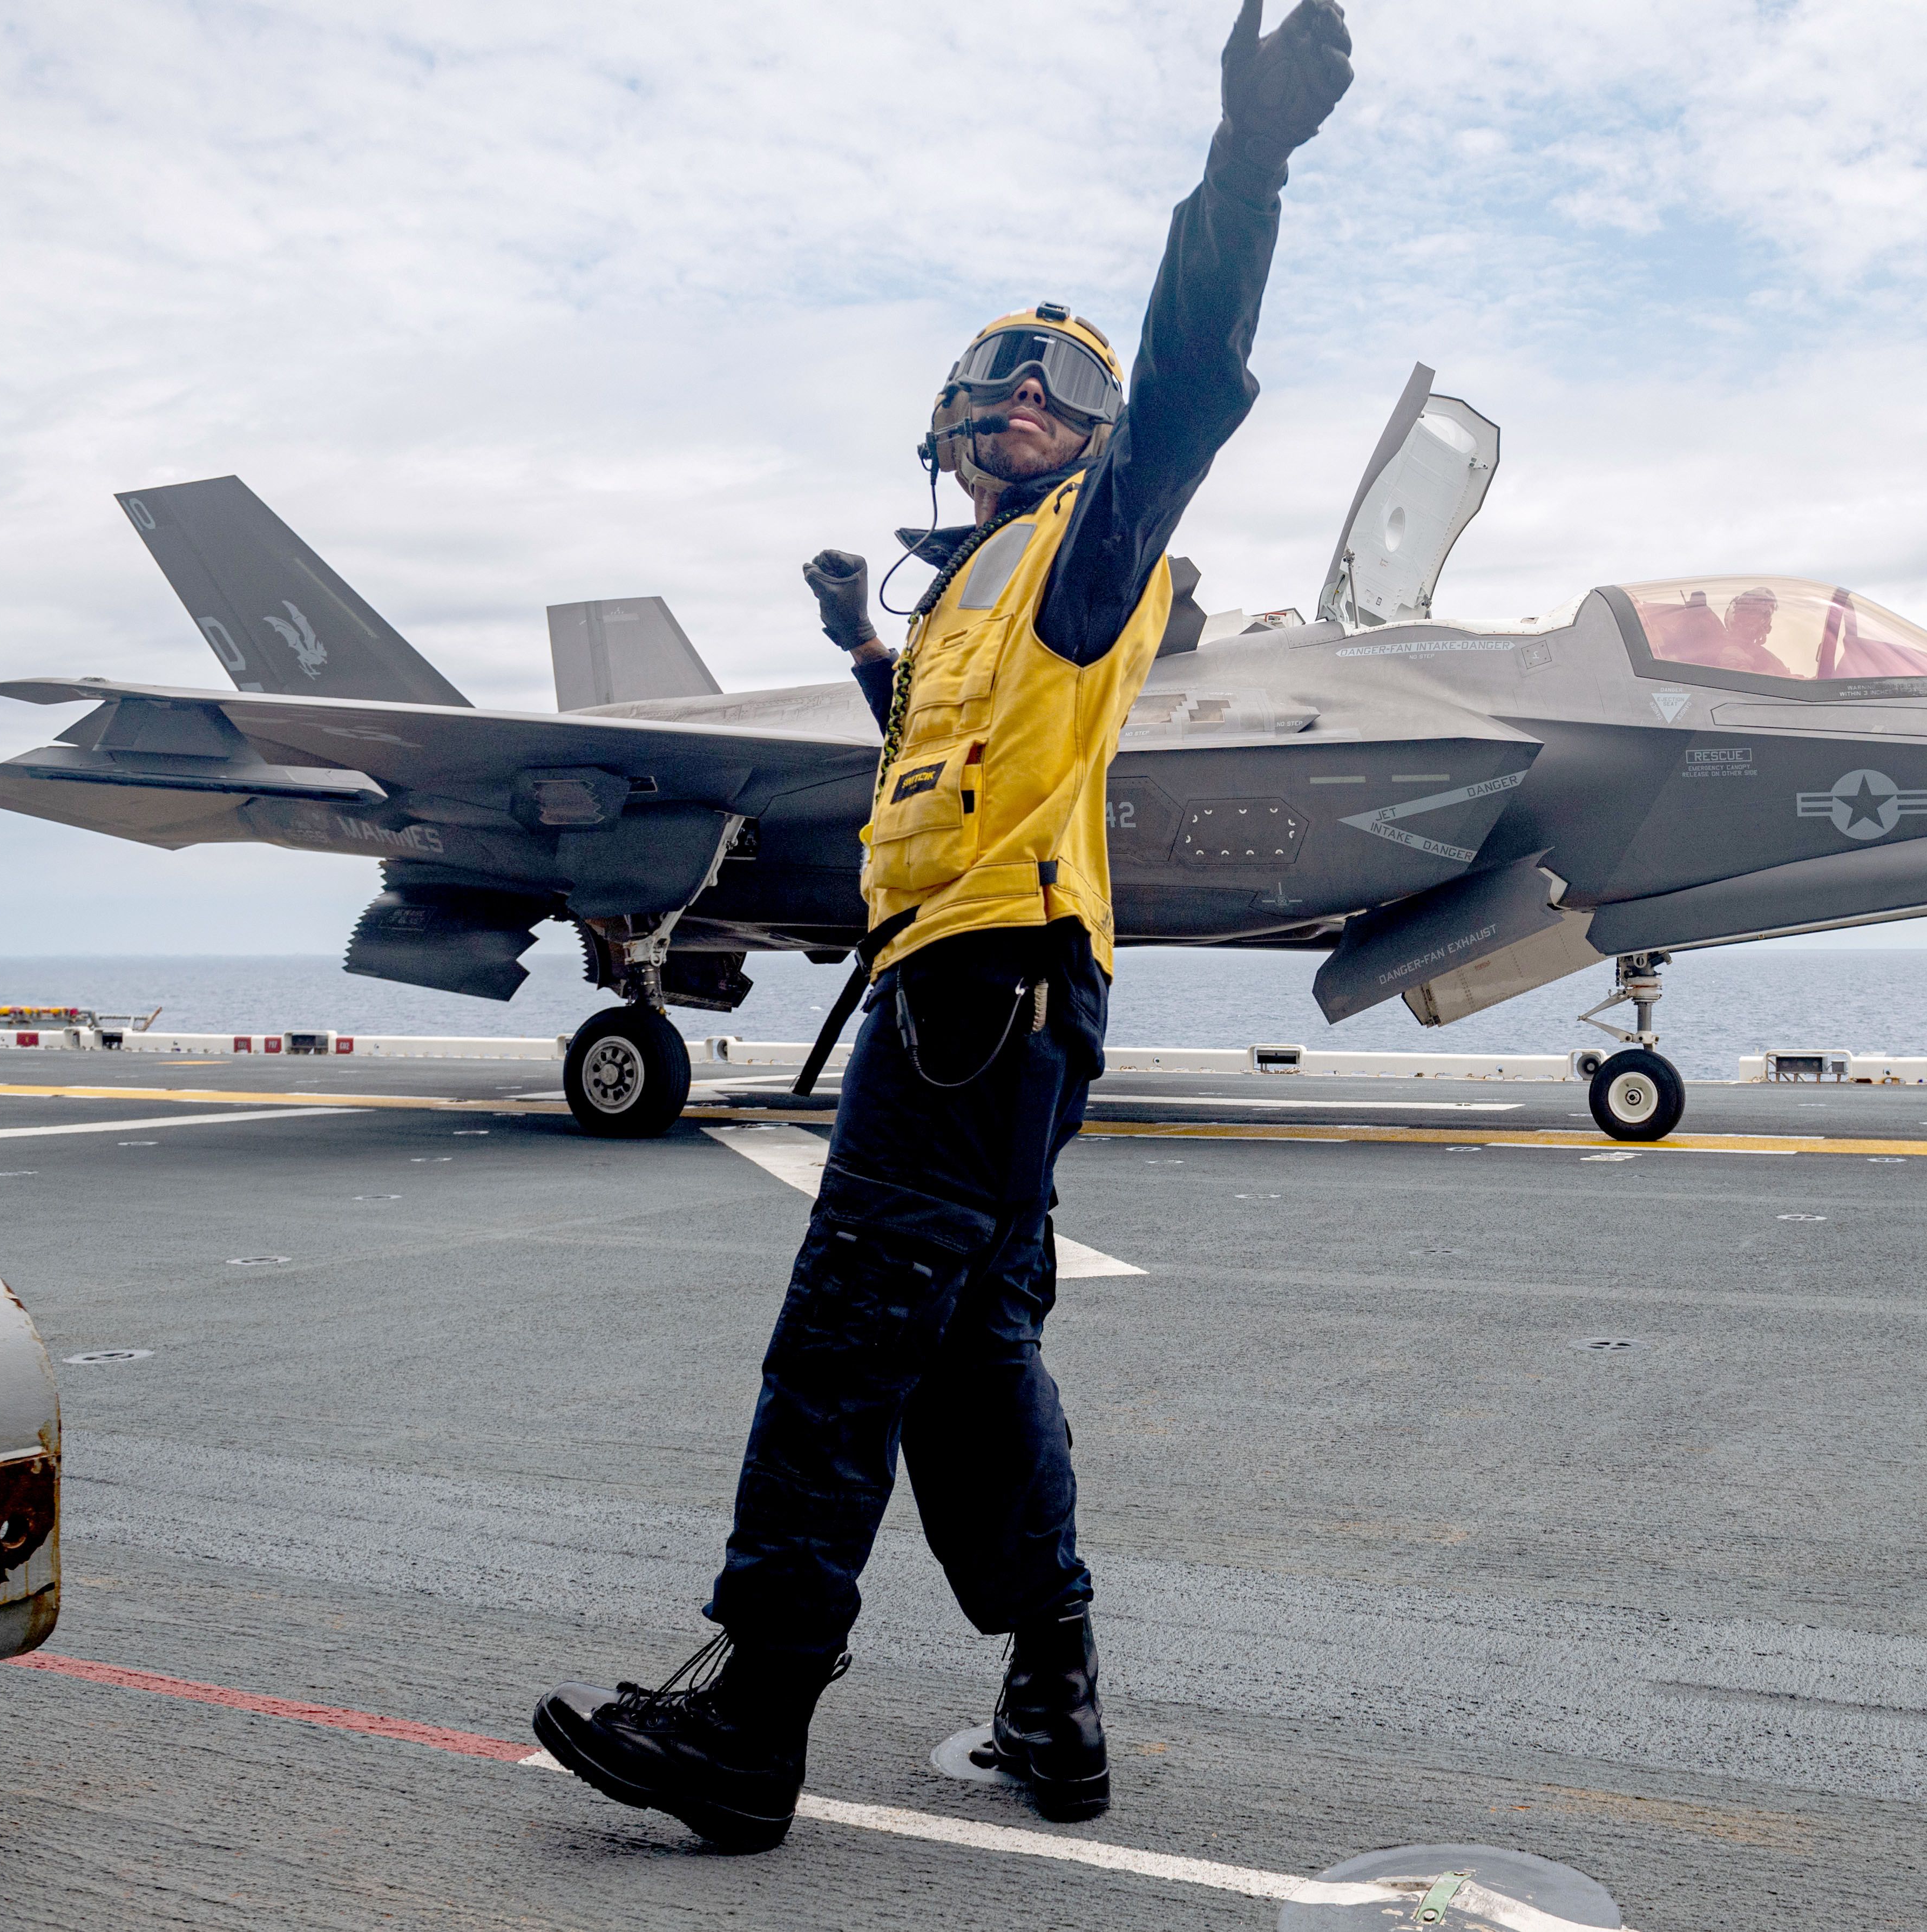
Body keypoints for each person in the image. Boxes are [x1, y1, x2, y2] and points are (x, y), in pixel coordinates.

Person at [530, 0, 1353, 1855]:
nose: (1018, 400)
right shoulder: (980, 584)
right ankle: (1054, 1704)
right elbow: (951, 748)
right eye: (996, 379)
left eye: (1057, 387)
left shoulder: (1089, 544)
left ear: (1095, 438)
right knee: (973, 1360)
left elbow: (1198, 375)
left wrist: (1248, 162)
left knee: (845, 1344)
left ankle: (749, 1722)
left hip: (984, 989)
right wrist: (855, 644)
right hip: (991, 991)